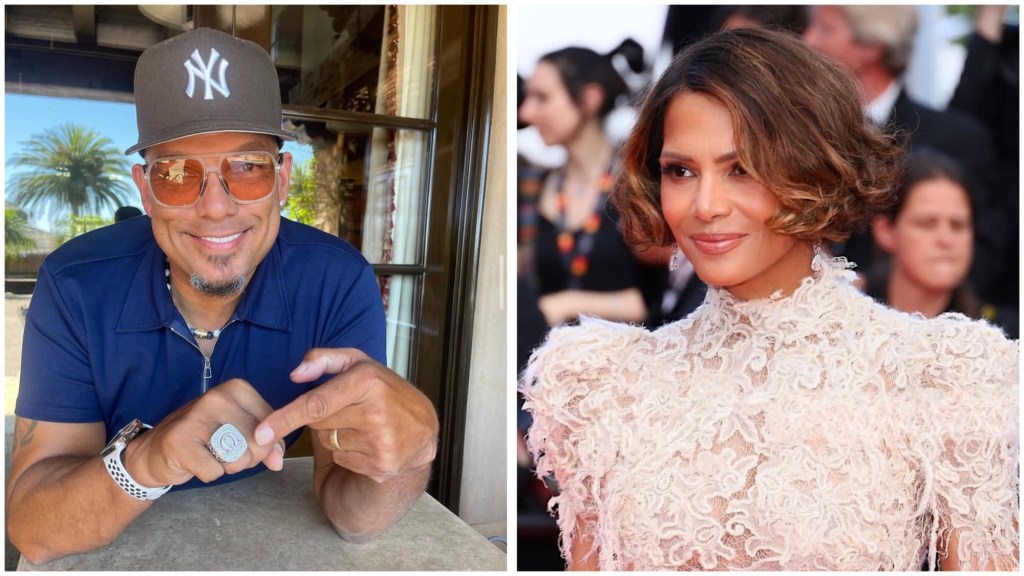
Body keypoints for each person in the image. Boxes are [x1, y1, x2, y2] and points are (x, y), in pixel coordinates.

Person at [521, 28, 1018, 571]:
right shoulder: (602, 386)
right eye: (681, 171)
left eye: (741, 168)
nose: (705, 205)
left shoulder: (943, 376)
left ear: (814, 170)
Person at [7, 28, 439, 565]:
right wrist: (147, 460)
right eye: (176, 174)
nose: (215, 207)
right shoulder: (75, 283)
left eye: (248, 167)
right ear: (145, 190)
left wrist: (408, 459)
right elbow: (33, 526)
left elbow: (350, 515)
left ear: (283, 180)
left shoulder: (337, 280)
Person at [802, 5, 1000, 296]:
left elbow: (977, 254)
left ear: (871, 45)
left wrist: (867, 284)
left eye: (825, 28)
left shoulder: (955, 139)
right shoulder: (800, 134)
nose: (808, 40)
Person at [518, 40, 661, 327]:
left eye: (542, 98)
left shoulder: (640, 184)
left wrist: (568, 304)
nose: (526, 113)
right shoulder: (532, 187)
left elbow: (658, 297)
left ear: (590, 98)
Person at [867, 149, 1018, 338]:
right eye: (927, 224)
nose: (946, 239)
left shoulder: (1004, 337)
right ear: (885, 231)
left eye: (958, 225)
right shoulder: (845, 322)